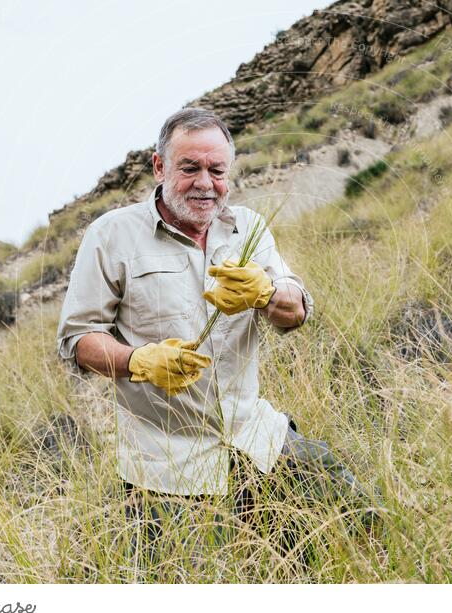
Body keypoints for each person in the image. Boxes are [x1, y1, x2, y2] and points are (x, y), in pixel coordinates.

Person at [56, 107, 379, 572]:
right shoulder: (111, 235)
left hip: (256, 437)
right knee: (189, 582)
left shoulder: (247, 228)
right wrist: (139, 361)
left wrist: (267, 293)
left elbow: (297, 311)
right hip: (165, 464)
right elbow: (77, 337)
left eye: (217, 170)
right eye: (189, 168)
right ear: (159, 167)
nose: (205, 183)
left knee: (358, 517)